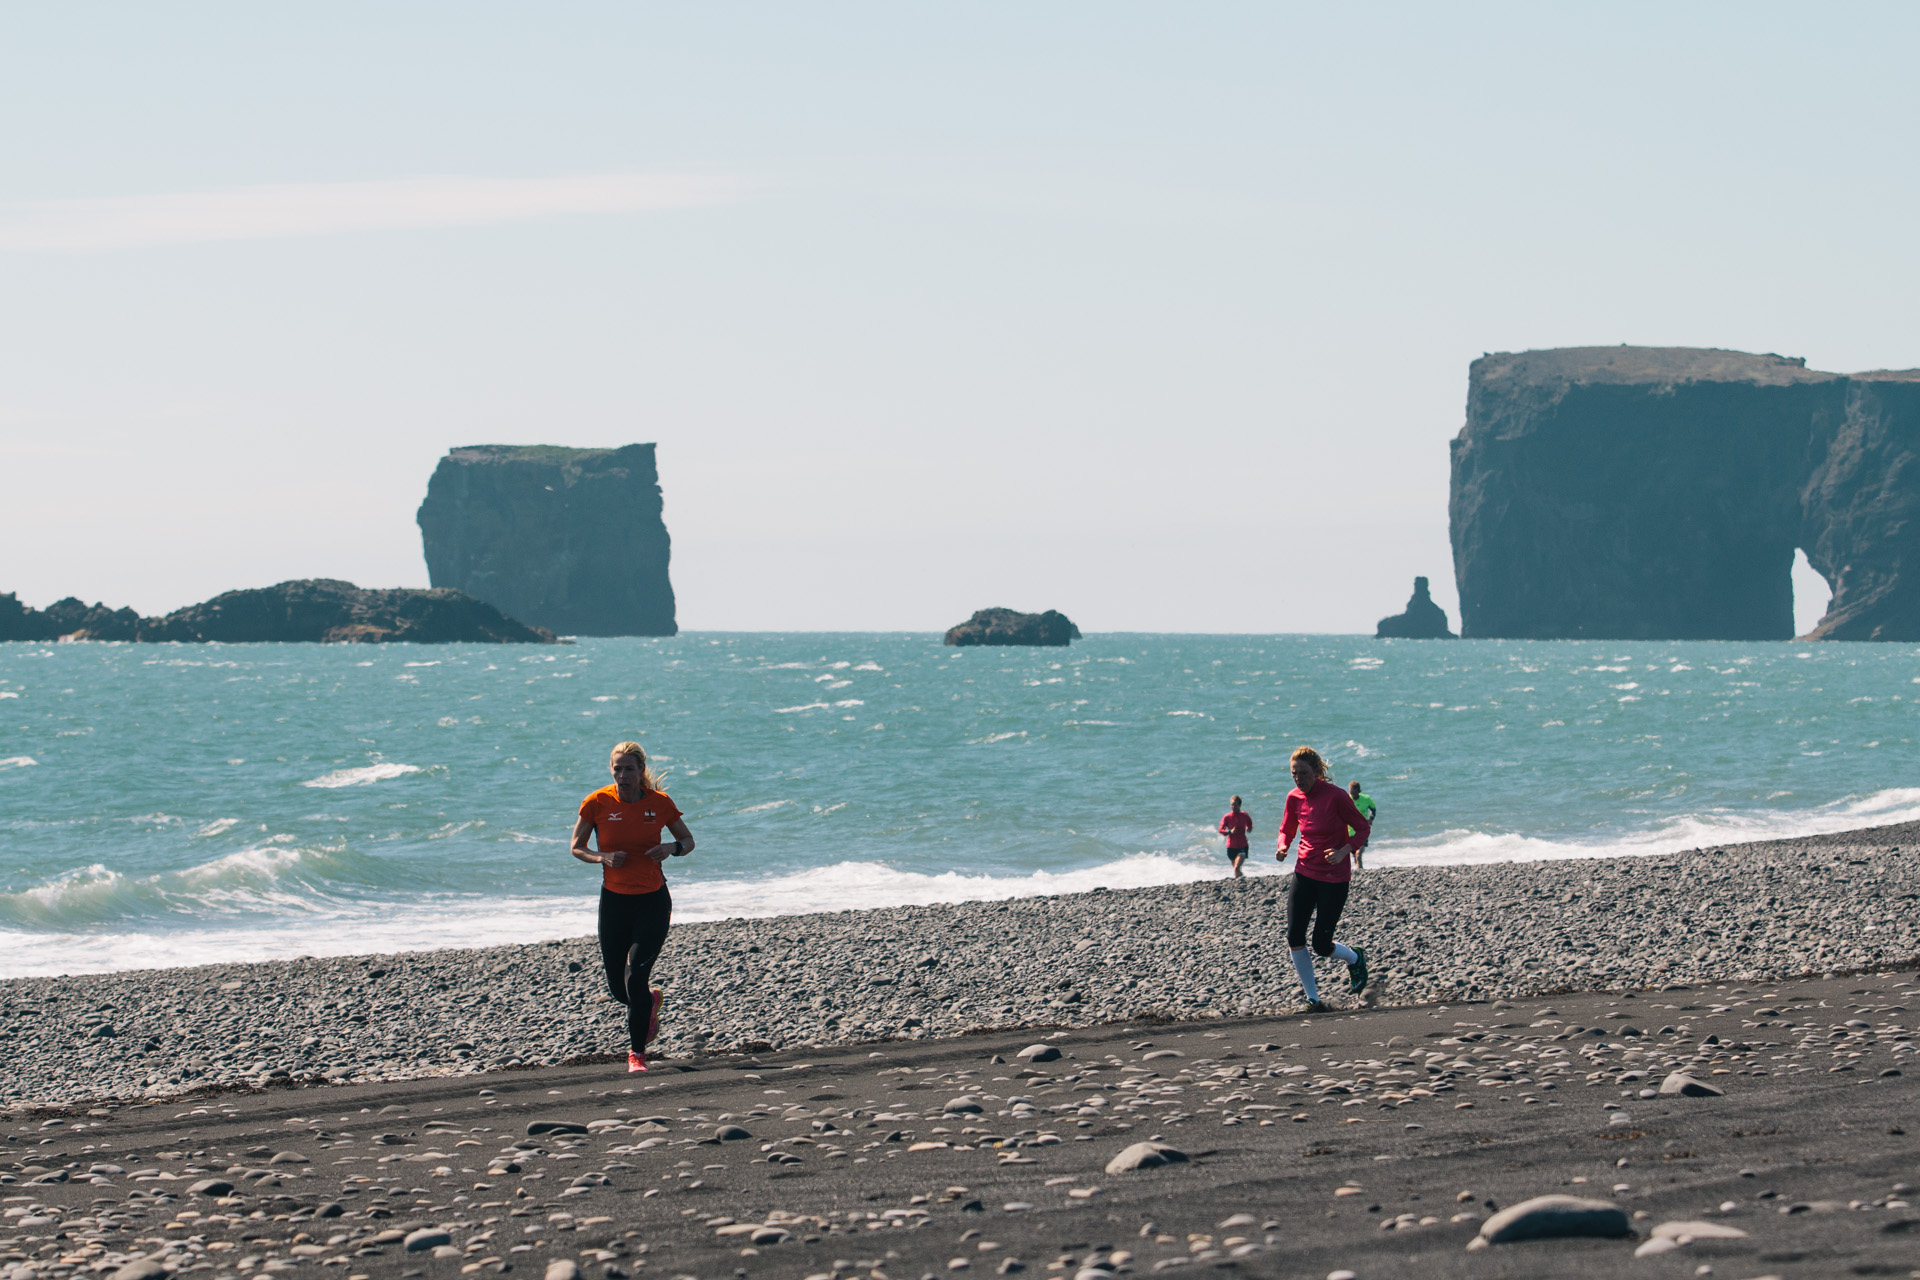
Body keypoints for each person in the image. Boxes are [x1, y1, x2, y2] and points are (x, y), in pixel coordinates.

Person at [571, 740, 696, 1073]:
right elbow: (577, 847)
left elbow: (688, 841)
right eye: (617, 769)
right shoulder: (596, 803)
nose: (622, 775)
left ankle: (636, 1055)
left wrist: (671, 848)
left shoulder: (660, 803)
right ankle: (650, 1003)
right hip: (614, 902)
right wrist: (602, 857)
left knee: (637, 977)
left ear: (641, 770)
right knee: (618, 988)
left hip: (652, 900)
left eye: (629, 769)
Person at [1276, 746, 1370, 1012]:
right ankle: (1313, 999)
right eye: (1294, 774)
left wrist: (1344, 851)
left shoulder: (1336, 796)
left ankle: (1354, 958)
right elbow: (1286, 829)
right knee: (1294, 936)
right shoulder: (1293, 797)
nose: (1298, 779)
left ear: (1317, 772)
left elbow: (1362, 828)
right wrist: (1283, 846)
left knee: (1320, 944)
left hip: (1334, 879)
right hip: (1304, 872)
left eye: (1303, 773)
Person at [1217, 795, 1253, 879]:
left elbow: (1249, 823)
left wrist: (1249, 828)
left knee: (1237, 867)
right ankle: (1240, 878)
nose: (1233, 806)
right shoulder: (1227, 817)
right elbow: (1220, 830)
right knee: (1236, 868)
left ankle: (1238, 876)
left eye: (1235, 805)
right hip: (1231, 845)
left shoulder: (1244, 815)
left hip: (1243, 844)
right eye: (1232, 804)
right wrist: (1229, 831)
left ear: (1239, 805)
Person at [1347, 780, 1377, 870]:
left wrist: (1371, 819)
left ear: (1358, 791)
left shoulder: (1366, 799)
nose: (1352, 794)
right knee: (1354, 854)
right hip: (1350, 831)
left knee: (1358, 853)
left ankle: (1360, 870)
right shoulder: (1347, 799)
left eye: (1353, 792)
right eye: (1350, 792)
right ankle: (1359, 871)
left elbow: (1373, 809)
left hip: (1362, 830)